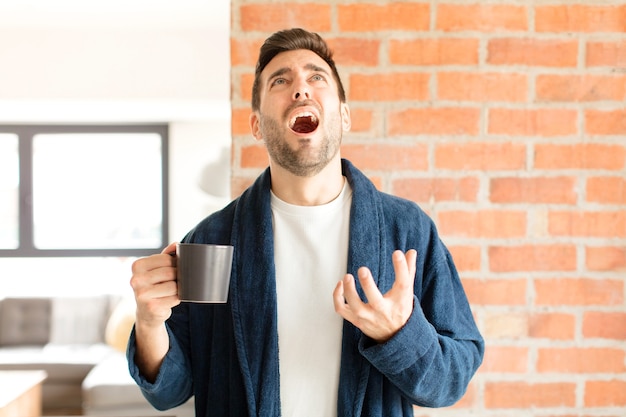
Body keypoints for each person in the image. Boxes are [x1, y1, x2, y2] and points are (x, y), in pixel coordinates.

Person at [128, 28, 484, 417]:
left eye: (317, 77)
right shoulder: (212, 239)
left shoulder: (408, 230)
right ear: (257, 126)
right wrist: (149, 322)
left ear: (344, 116)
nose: (300, 88)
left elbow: (452, 380)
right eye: (280, 80)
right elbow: (170, 392)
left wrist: (399, 335)